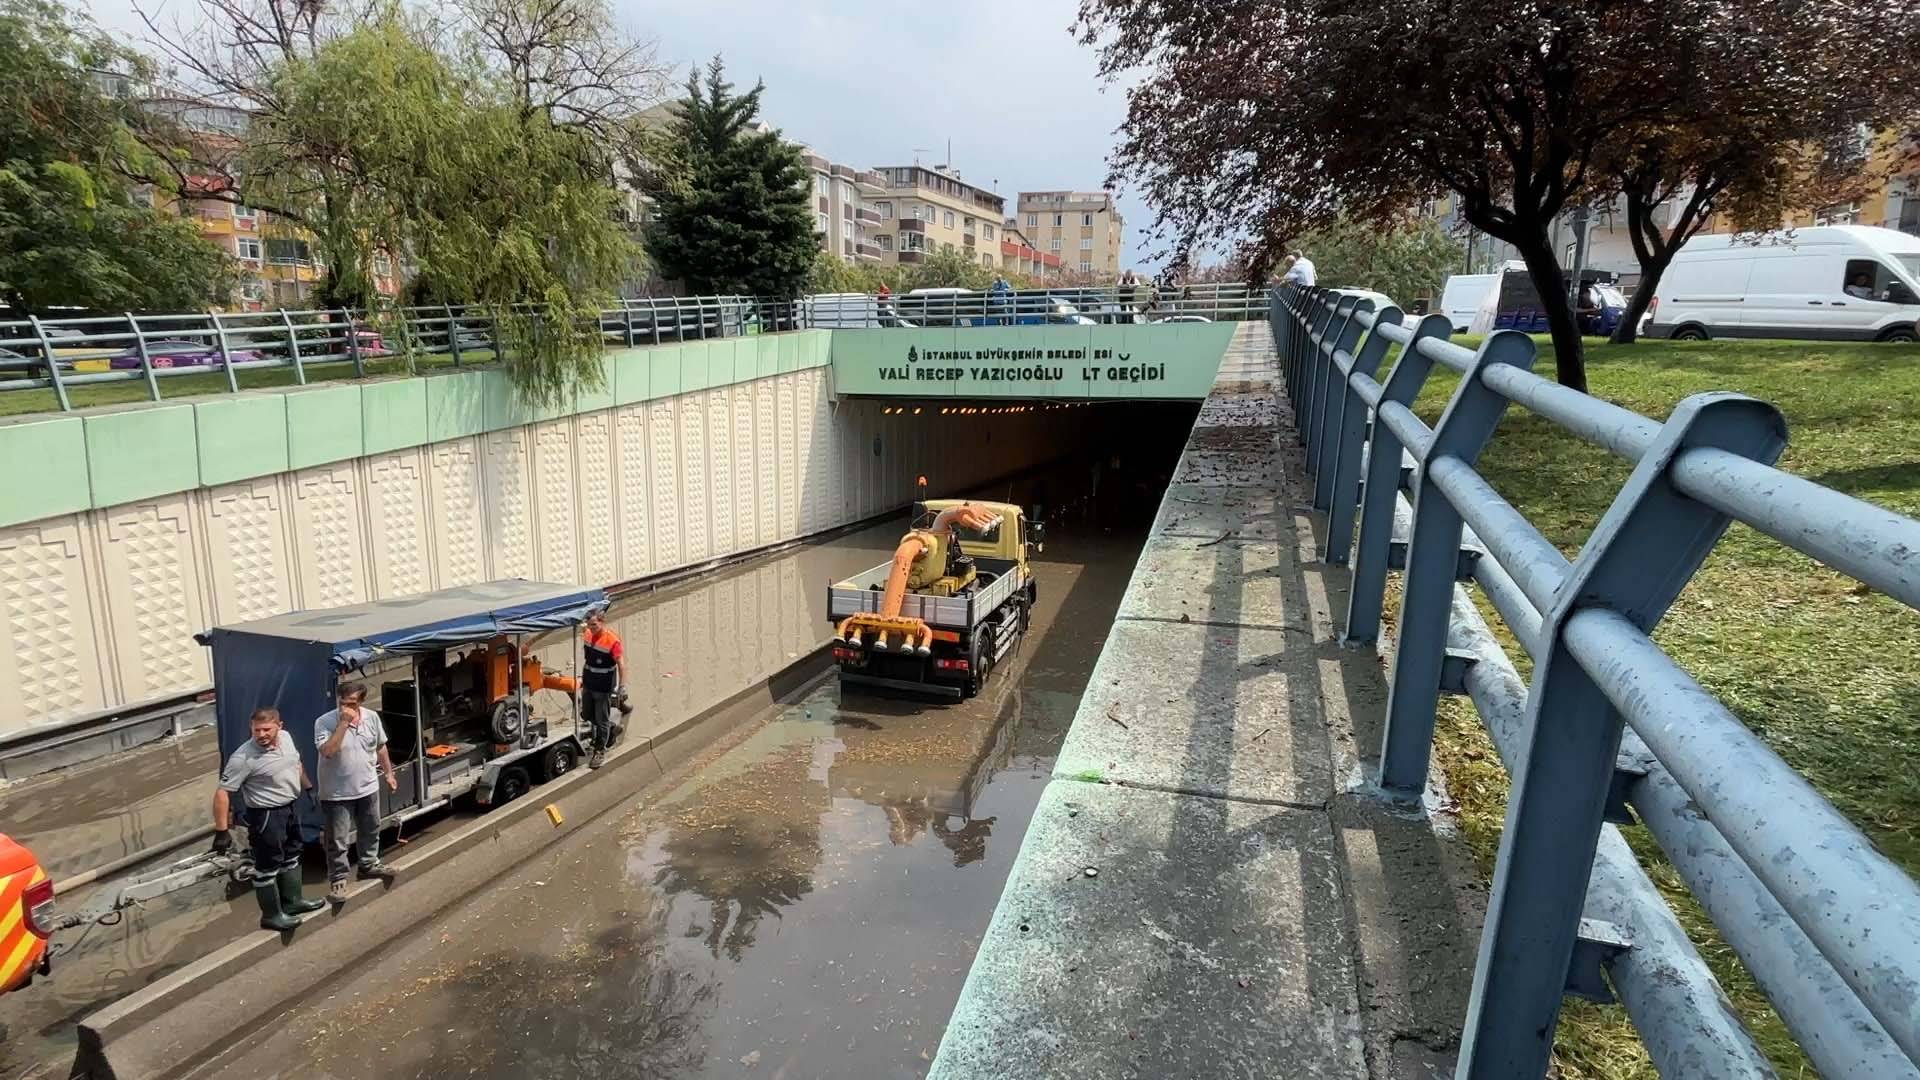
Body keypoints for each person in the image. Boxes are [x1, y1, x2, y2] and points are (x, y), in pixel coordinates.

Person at [212, 707, 325, 930]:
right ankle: (271, 915)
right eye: (256, 730)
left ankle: (293, 903)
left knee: (292, 853)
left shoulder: (286, 738)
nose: (261, 735)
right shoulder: (243, 757)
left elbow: (296, 764)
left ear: (279, 726)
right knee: (267, 864)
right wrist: (221, 831)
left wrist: (308, 786)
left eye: (266, 729)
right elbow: (222, 792)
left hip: (290, 808)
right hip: (266, 815)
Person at [313, 682, 397, 901]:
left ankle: (368, 864)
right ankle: (339, 879)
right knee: (338, 839)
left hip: (367, 787)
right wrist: (343, 724)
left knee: (371, 828)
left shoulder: (371, 718)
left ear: (361, 702)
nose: (346, 708)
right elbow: (328, 752)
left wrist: (389, 773)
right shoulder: (324, 722)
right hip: (337, 793)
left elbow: (380, 746)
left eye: (351, 704)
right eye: (342, 703)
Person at [581, 608, 627, 769]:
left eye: (594, 624)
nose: (591, 628)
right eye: (589, 624)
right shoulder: (587, 633)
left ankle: (600, 750)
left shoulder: (612, 641)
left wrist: (622, 687)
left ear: (602, 622)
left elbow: (621, 665)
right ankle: (610, 728)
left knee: (601, 720)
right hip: (588, 683)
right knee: (586, 714)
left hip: (603, 686)